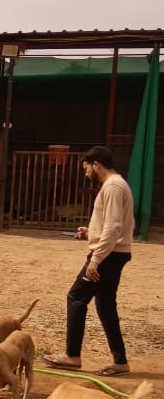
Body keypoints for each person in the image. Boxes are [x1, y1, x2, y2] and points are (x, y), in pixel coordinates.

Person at [42, 145, 134, 377]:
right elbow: (113, 225)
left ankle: (72, 355)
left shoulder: (112, 186)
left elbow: (113, 227)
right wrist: (91, 233)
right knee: (105, 305)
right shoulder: (118, 184)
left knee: (76, 297)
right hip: (115, 253)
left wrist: (96, 259)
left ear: (96, 165)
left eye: (86, 169)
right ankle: (120, 361)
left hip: (109, 255)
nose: (86, 174)